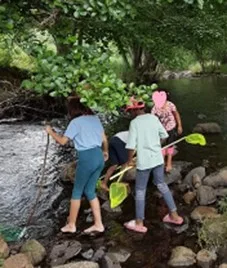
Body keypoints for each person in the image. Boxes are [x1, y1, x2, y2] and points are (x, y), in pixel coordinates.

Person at [45, 97, 108, 234]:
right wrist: (105, 151)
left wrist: (51, 132)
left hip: (87, 158)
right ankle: (98, 224)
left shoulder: (75, 122)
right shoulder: (95, 119)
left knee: (77, 191)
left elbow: (62, 141)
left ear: (72, 109)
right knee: (90, 191)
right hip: (99, 156)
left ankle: (71, 225)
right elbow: (104, 139)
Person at [124, 97, 183, 233]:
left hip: (144, 162)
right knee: (161, 184)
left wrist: (129, 161)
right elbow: (163, 135)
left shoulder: (134, 123)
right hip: (157, 158)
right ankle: (174, 216)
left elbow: (131, 145)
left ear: (134, 110)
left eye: (130, 111)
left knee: (140, 190)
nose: (130, 114)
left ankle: (139, 223)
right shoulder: (153, 118)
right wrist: (155, 145)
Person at [151, 89, 183, 172]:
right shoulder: (154, 109)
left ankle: (169, 163)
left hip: (171, 127)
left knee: (170, 145)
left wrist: (179, 126)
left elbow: (176, 114)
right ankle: (162, 162)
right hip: (161, 130)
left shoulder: (170, 105)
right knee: (161, 146)